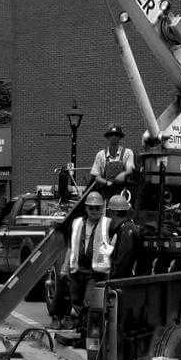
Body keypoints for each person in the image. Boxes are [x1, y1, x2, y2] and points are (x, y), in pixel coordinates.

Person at [62, 192, 109, 331]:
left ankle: (86, 331)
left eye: (97, 208)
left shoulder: (106, 225)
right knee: (75, 300)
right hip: (77, 271)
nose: (94, 211)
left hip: (94, 273)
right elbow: (71, 247)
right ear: (86, 208)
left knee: (89, 302)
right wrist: (65, 267)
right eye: (91, 208)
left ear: (102, 209)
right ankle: (81, 326)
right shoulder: (77, 224)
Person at [90, 125, 136, 193]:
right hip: (106, 191)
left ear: (120, 137)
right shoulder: (100, 155)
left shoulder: (128, 153)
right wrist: (107, 183)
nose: (114, 137)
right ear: (108, 137)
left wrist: (124, 174)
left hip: (123, 191)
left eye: (116, 135)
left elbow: (130, 169)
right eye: (111, 135)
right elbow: (96, 176)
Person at [105, 193, 142, 278]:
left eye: (109, 212)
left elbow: (123, 257)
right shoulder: (122, 228)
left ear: (114, 212)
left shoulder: (126, 230)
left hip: (122, 279)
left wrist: (114, 277)